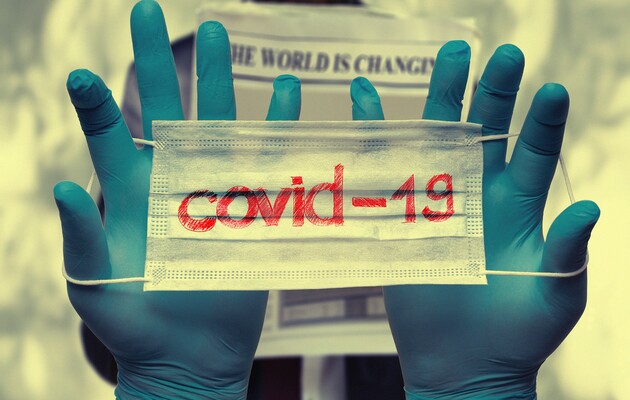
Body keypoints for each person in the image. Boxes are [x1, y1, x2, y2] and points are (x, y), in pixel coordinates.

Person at [54, 0, 599, 399]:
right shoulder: (176, 74)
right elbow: (114, 311)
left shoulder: (441, 90)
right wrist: (169, 382)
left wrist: (476, 389)